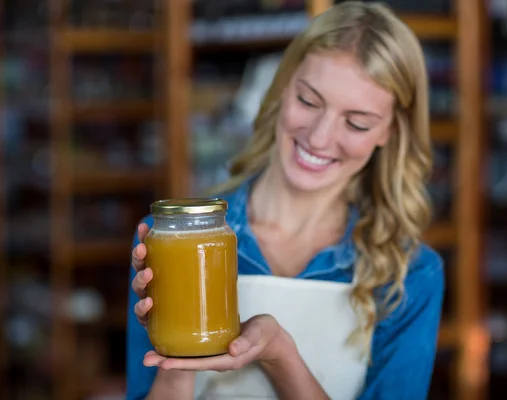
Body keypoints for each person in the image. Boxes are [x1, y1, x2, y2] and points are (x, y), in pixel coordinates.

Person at [126, 1, 445, 399]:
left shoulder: (411, 274)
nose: (320, 137)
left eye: (356, 122)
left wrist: (280, 355)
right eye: (309, 101)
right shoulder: (173, 240)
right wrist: (173, 355)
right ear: (282, 89)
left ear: (390, 132)